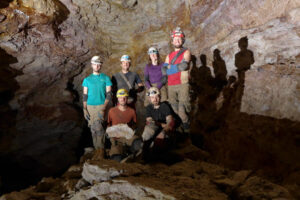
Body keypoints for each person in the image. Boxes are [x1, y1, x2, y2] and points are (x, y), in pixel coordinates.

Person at [82, 56, 112, 158]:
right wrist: (84, 109)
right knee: (93, 129)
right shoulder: (87, 80)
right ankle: (97, 150)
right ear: (92, 65)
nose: (97, 66)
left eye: (99, 64)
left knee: (99, 127)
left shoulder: (105, 78)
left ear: (101, 65)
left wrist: (104, 107)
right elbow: (85, 95)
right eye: (95, 64)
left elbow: (109, 94)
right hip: (90, 106)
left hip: (101, 105)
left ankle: (101, 151)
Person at [163, 27, 191, 132]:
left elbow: (184, 66)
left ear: (182, 40)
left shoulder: (186, 52)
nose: (177, 40)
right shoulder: (169, 55)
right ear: (172, 41)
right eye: (175, 39)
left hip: (183, 84)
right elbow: (164, 71)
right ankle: (181, 128)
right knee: (174, 109)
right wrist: (174, 68)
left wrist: (170, 68)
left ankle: (187, 127)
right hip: (171, 85)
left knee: (182, 109)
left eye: (179, 38)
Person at [106, 88, 143, 162]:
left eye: (124, 97)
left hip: (127, 136)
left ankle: (132, 154)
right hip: (117, 139)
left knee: (138, 144)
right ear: (117, 99)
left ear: (127, 98)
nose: (122, 99)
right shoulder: (112, 111)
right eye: (120, 97)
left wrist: (129, 129)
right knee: (116, 159)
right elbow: (108, 125)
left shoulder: (132, 111)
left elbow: (135, 125)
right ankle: (124, 155)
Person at [142, 87, 175, 156]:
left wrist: (164, 131)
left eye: (157, 97)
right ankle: (144, 154)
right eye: (153, 97)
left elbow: (170, 121)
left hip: (164, 129)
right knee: (147, 132)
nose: (155, 99)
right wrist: (162, 124)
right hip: (155, 128)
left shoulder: (164, 106)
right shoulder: (149, 108)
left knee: (162, 141)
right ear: (150, 99)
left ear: (160, 97)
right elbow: (150, 122)